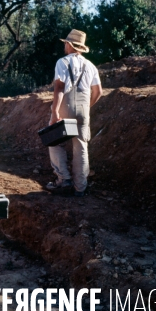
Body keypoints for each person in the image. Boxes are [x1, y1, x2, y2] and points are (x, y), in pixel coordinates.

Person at [46, 29, 103, 197]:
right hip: (84, 108)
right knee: (81, 146)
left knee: (55, 141)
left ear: (70, 45)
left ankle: (64, 179)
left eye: (66, 43)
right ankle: (81, 187)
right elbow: (98, 91)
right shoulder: (91, 66)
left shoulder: (62, 62)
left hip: (66, 106)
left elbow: (59, 87)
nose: (64, 45)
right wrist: (87, 106)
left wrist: (55, 111)